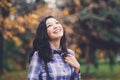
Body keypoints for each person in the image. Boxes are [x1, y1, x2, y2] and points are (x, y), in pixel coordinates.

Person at [28, 15, 81, 80]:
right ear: (44, 33)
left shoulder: (69, 53)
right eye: (49, 25)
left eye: (57, 23)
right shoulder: (39, 55)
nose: (56, 26)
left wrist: (77, 68)